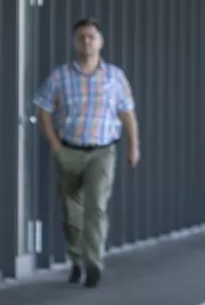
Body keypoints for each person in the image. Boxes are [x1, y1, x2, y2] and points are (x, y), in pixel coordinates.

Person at [33, 17, 140, 288]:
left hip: (102, 152)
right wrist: (56, 146)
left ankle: (94, 264)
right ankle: (77, 259)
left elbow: (127, 113)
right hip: (69, 151)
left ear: (101, 41)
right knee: (72, 213)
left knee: (96, 208)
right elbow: (43, 111)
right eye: (81, 37)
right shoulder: (60, 76)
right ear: (74, 42)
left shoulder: (114, 77)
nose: (87, 41)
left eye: (92, 36)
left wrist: (133, 145)